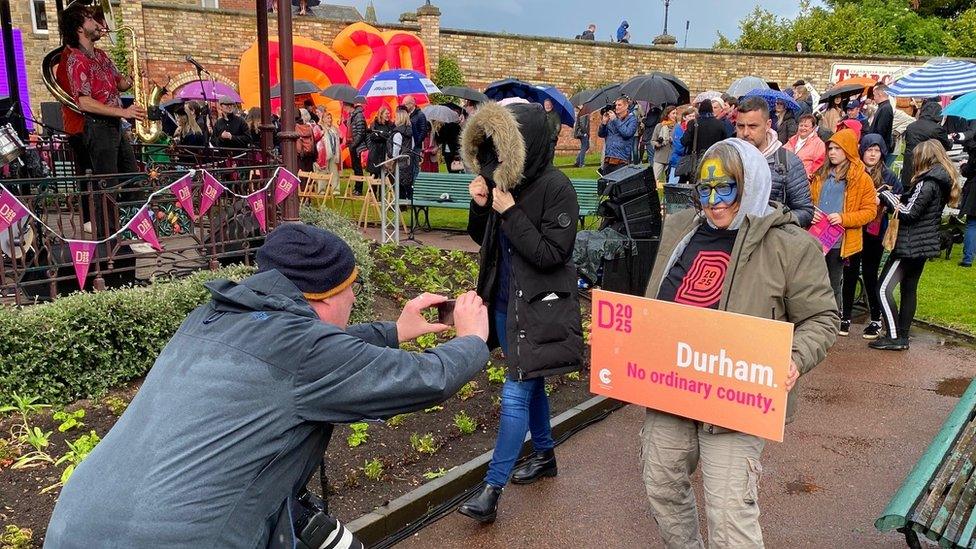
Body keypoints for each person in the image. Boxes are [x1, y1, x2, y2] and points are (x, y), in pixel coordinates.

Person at [45, 223, 491, 548]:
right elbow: (427, 379)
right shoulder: (305, 351)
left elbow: (299, 357)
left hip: (76, 524)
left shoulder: (215, 316)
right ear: (323, 296)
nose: (354, 300)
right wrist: (471, 339)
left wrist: (393, 332)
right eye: (350, 290)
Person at [640, 139, 837, 548]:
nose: (714, 203)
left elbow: (822, 317)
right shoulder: (680, 229)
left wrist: (795, 358)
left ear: (751, 185)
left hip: (736, 395)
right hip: (672, 387)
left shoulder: (789, 245)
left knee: (730, 516)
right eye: (705, 190)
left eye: (726, 188)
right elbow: (653, 301)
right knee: (661, 485)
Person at [457, 101, 583, 523]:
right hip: (505, 307)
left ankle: (492, 489)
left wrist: (509, 210)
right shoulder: (501, 181)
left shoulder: (556, 188)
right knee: (530, 384)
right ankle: (545, 454)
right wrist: (480, 206)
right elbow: (485, 239)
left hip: (539, 311)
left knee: (516, 392)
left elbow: (551, 255)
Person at [872, 140, 962, 350]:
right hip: (924, 244)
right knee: (908, 290)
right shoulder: (940, 181)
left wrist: (885, 196)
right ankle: (902, 336)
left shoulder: (926, 182)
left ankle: (894, 336)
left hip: (909, 245)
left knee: (883, 288)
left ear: (924, 158)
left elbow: (909, 213)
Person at [809, 128, 879, 318]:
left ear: (847, 150)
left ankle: (831, 320)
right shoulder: (819, 174)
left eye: (837, 149)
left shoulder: (862, 178)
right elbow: (808, 200)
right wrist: (810, 213)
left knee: (832, 283)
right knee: (810, 281)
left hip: (839, 240)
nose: (832, 152)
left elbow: (870, 211)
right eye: (830, 148)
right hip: (814, 236)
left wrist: (843, 218)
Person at [846, 133, 903, 339]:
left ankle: (876, 319)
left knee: (870, 274)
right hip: (853, 228)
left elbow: (898, 200)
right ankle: (845, 315)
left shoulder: (888, 176)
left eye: (876, 150)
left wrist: (883, 199)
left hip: (875, 230)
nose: (872, 154)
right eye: (869, 149)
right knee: (850, 271)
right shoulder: (853, 172)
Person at [735, 96, 814, 227]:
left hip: (769, 240)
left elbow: (805, 211)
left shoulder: (787, 162)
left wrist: (774, 221)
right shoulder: (729, 157)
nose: (745, 132)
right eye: (740, 126)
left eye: (753, 126)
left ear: (768, 125)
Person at [901, 100, 952, 190]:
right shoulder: (936, 129)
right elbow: (946, 146)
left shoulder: (911, 126)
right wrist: (950, 140)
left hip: (909, 161)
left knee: (907, 189)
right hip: (926, 163)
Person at [679, 100, 732, 182]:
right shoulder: (720, 124)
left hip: (695, 160)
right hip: (714, 161)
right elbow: (724, 144)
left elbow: (684, 141)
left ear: (699, 110)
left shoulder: (693, 123)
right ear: (711, 110)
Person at [598, 96, 638, 174]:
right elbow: (601, 134)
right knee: (606, 184)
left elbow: (627, 133)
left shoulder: (632, 119)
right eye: (616, 105)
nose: (616, 107)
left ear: (626, 106)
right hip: (608, 158)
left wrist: (615, 120)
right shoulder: (612, 119)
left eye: (619, 105)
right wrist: (604, 123)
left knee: (617, 185)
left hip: (621, 160)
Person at [391, 106, 415, 199]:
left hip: (400, 160)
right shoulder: (410, 131)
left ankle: (401, 204)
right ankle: (409, 199)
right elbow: (412, 146)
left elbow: (396, 148)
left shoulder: (398, 133)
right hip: (408, 160)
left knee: (399, 183)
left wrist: (393, 158)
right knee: (407, 182)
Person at [868, 84, 895, 165]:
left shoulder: (885, 108)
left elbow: (881, 130)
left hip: (879, 147)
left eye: (874, 95)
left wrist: (875, 147)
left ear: (880, 94)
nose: (874, 98)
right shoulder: (883, 107)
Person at [344, 100, 367, 192]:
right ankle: (357, 187)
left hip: (356, 145)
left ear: (348, 106)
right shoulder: (352, 116)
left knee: (357, 167)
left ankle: (359, 188)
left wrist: (353, 145)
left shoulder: (358, 115)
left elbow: (361, 132)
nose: (344, 110)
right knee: (355, 166)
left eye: (345, 107)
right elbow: (353, 128)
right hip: (352, 143)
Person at [403, 95, 429, 179]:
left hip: (416, 146)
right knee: (408, 166)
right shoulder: (407, 114)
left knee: (415, 167)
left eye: (406, 104)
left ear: (412, 104)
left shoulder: (420, 115)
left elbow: (423, 130)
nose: (405, 106)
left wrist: (417, 142)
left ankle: (414, 184)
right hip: (407, 144)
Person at [315, 111, 340, 194]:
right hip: (323, 153)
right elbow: (315, 138)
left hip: (333, 153)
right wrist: (321, 134)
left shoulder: (334, 128)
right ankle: (321, 190)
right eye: (327, 118)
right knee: (322, 171)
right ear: (323, 119)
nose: (329, 120)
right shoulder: (319, 127)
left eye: (330, 118)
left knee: (334, 171)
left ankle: (335, 189)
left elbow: (337, 140)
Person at [367, 105, 395, 178]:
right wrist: (384, 135)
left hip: (386, 151)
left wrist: (380, 134)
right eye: (386, 113)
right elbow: (372, 136)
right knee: (374, 173)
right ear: (381, 114)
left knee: (386, 174)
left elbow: (391, 136)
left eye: (389, 113)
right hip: (376, 152)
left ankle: (382, 189)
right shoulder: (374, 123)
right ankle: (374, 189)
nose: (388, 115)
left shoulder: (391, 124)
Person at [651, 105, 676, 186]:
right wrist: (658, 144)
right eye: (673, 113)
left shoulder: (677, 126)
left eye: (676, 113)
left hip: (671, 158)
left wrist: (673, 141)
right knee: (655, 180)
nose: (675, 115)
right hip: (659, 157)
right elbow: (652, 140)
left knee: (670, 182)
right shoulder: (659, 126)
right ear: (668, 114)